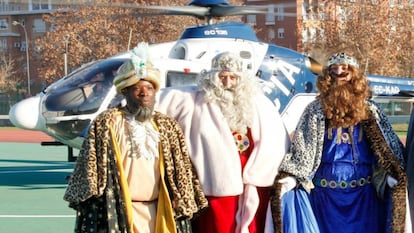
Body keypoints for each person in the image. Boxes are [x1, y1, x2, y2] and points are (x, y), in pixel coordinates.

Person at [64, 43, 208, 233]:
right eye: (137, 88)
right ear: (125, 91)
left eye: (149, 88)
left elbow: (182, 172)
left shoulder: (167, 126)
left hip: (160, 212)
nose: (144, 93)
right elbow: (89, 171)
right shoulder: (107, 124)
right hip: (117, 212)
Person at [270, 52, 408, 233]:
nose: (339, 73)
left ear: (355, 75)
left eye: (345, 68)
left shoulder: (371, 110)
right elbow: (303, 149)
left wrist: (390, 175)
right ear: (328, 76)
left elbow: (387, 148)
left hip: (363, 200)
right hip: (326, 200)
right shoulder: (315, 111)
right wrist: (291, 176)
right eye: (334, 69)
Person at [156, 52, 290, 233]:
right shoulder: (196, 100)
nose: (227, 83)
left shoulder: (258, 103)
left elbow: (276, 138)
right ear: (212, 77)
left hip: (251, 184)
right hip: (215, 184)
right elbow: (159, 102)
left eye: (233, 77)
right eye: (222, 77)